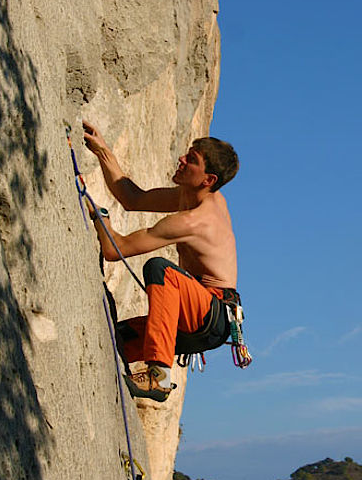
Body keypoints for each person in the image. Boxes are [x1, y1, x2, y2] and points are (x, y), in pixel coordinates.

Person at [82, 119, 243, 402]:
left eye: (191, 160)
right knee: (114, 338)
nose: (181, 159)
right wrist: (103, 151)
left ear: (208, 180)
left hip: (212, 315)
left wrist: (100, 217)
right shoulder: (192, 197)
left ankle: (159, 378)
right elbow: (133, 198)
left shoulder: (195, 221)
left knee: (161, 270)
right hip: (193, 319)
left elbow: (115, 249)